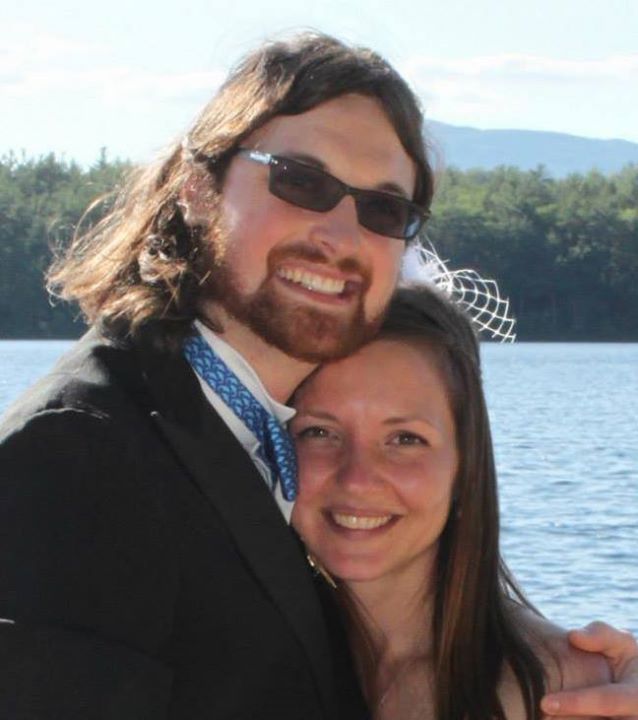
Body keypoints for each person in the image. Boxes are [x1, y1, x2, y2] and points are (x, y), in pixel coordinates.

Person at [0, 31, 636, 719]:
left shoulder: (257, 439)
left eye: (383, 209)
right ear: (198, 188)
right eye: (300, 181)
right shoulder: (79, 450)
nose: (339, 236)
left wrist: (546, 660)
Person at [290, 284, 636, 720]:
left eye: (405, 439)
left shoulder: (556, 690)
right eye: (319, 432)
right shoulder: (248, 653)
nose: (357, 480)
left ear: (466, 466)